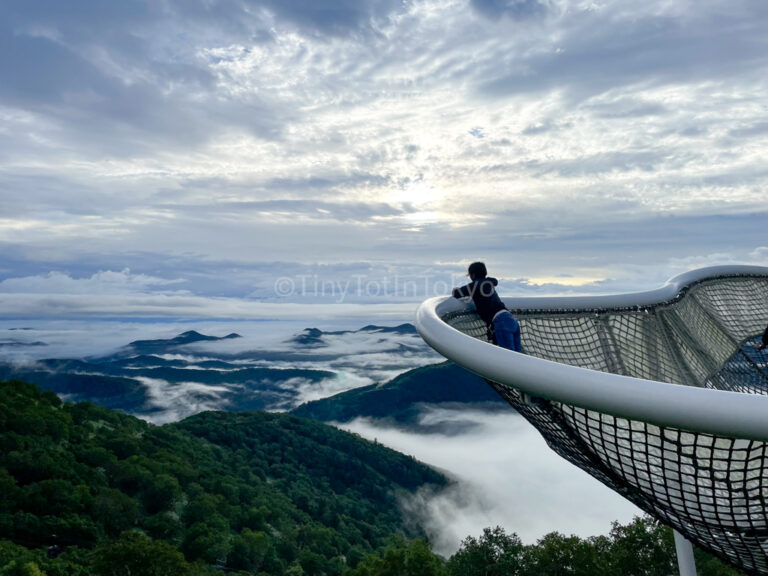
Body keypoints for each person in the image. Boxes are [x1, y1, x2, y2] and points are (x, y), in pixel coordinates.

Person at [452, 262, 522, 352]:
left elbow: (457, 293)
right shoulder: (489, 283)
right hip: (511, 320)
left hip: (501, 322)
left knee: (509, 358)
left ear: (473, 275)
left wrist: (455, 289)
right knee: (518, 357)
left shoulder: (475, 286)